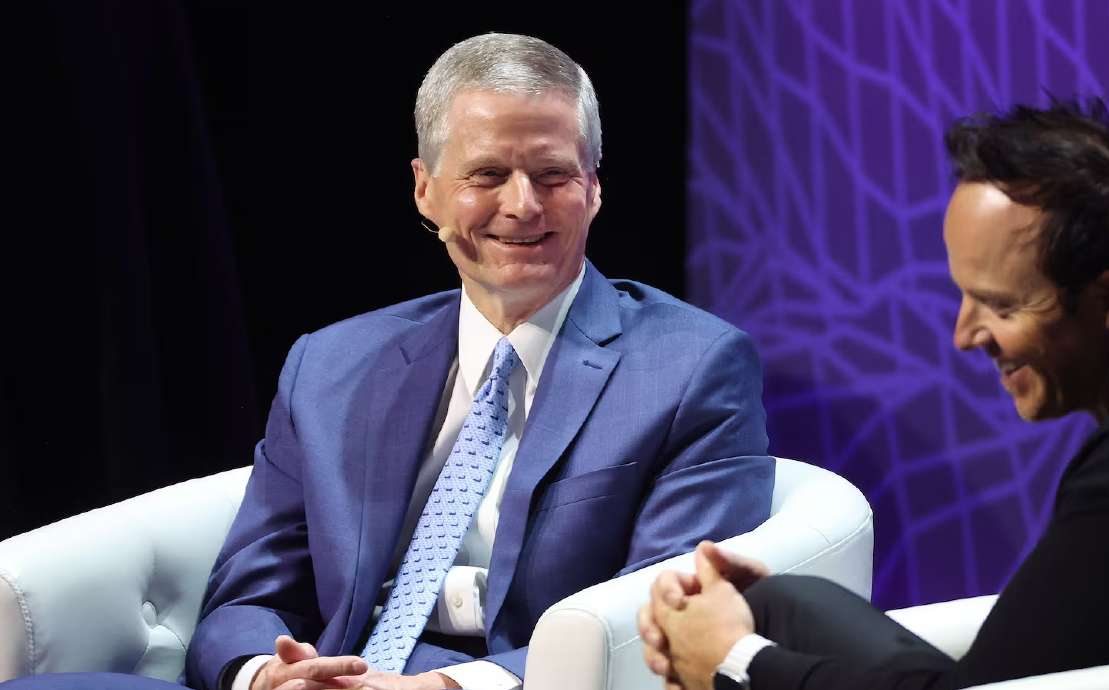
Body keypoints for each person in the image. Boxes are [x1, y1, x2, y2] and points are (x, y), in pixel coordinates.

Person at [2, 33, 773, 690]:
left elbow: (663, 620)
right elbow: (249, 593)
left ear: (594, 189)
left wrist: (446, 687)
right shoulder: (332, 365)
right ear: (424, 190)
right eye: (486, 175)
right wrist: (267, 674)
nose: (522, 205)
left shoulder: (692, 368)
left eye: (553, 175)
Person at [639, 98, 1109, 690]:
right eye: (964, 296)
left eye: (1000, 306)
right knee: (777, 603)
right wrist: (760, 619)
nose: (964, 336)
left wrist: (736, 661)